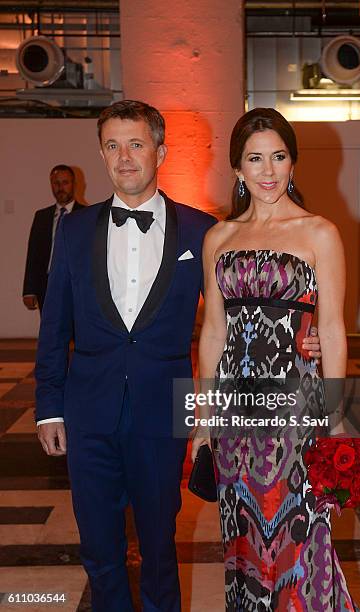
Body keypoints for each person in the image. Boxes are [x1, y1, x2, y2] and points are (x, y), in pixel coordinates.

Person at [35, 100, 323, 612]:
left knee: (160, 548)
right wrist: (49, 406)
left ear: (160, 151)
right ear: (101, 154)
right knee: (99, 549)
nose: (125, 158)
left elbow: (232, 316)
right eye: (113, 146)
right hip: (87, 413)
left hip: (165, 412)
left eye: (136, 144)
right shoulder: (74, 231)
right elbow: (54, 327)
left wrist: (303, 334)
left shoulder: (201, 231)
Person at [192, 108, 356, 611]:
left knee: (300, 534)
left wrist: (334, 414)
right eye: (255, 159)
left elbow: (331, 328)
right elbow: (213, 333)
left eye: (278, 157)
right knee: (242, 540)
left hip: (296, 411)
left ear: (293, 164)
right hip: (234, 417)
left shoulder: (319, 233)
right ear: (237, 169)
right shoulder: (219, 237)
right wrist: (199, 423)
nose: (267, 171)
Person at [22, 165, 84, 313]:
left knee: (77, 332)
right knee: (50, 331)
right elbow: (33, 254)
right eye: (56, 183)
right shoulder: (41, 217)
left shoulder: (86, 215)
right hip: (46, 285)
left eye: (65, 182)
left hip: (75, 284)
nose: (60, 187)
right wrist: (29, 290)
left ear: (74, 184)